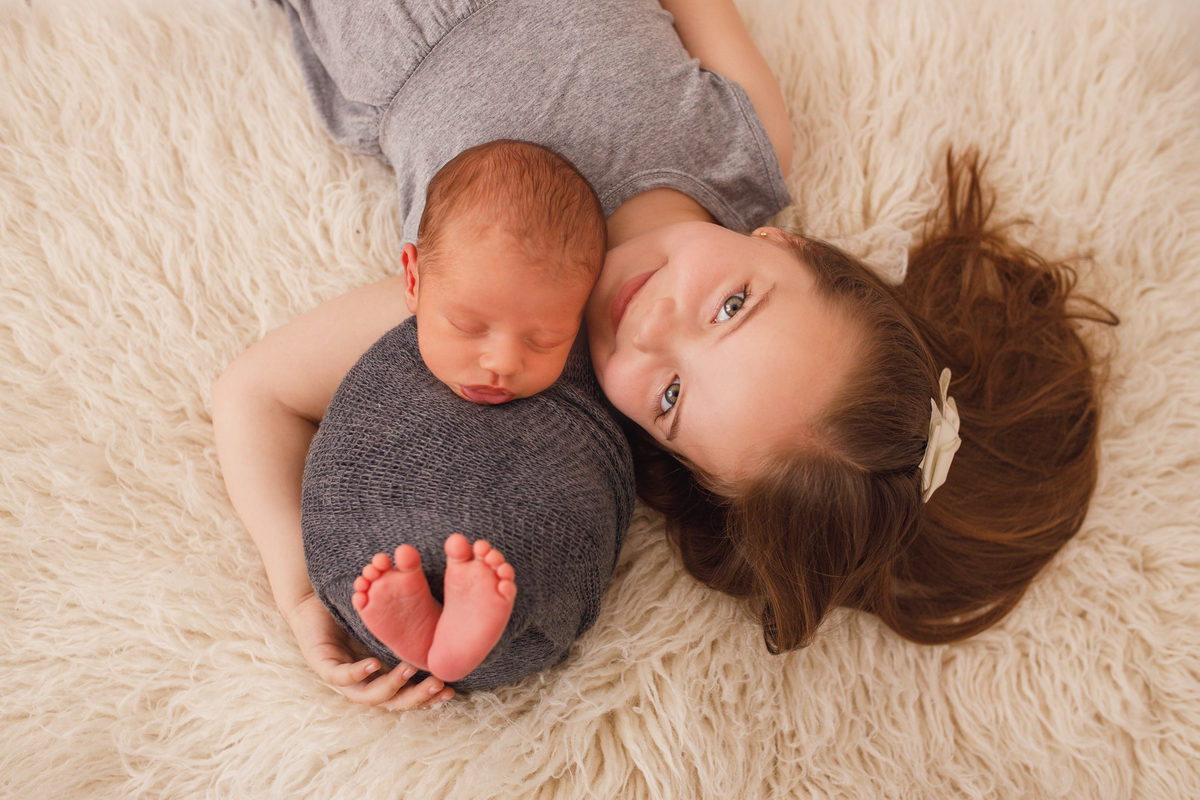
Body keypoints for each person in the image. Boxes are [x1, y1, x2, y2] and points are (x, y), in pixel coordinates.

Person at [213, 0, 1113, 710]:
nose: (651, 325)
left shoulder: (494, 316)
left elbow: (257, 392)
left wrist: (300, 589)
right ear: (792, 247)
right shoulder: (745, 143)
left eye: (672, 395)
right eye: (733, 305)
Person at [302, 137, 632, 691]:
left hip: (515, 607)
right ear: (413, 279)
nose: (502, 363)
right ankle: (439, 628)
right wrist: (299, 603)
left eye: (545, 338)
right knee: (371, 524)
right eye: (468, 326)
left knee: (538, 535)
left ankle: (467, 628)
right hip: (372, 560)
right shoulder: (393, 337)